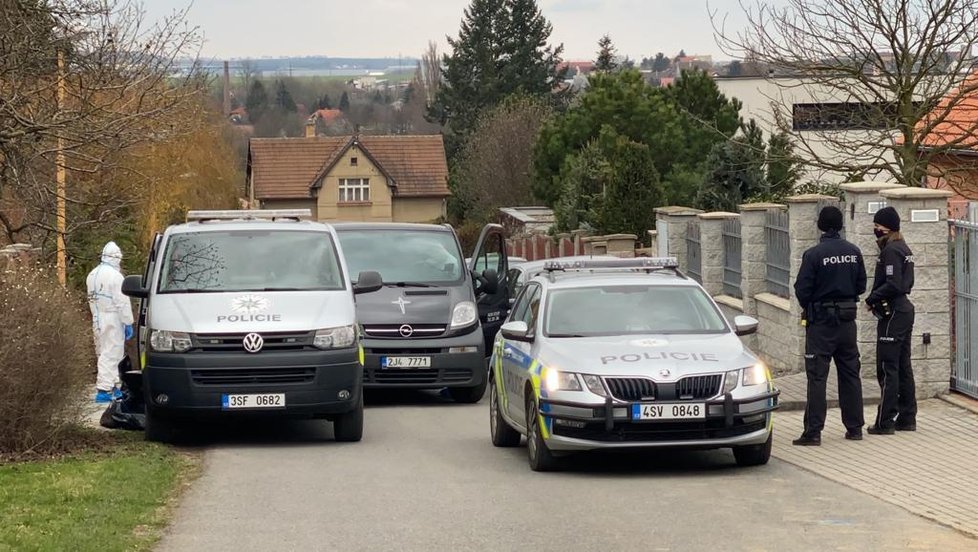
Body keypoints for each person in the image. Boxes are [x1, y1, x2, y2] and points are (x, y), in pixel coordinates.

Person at [792, 206, 867, 446]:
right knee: (850, 374)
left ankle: (813, 432)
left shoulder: (814, 254)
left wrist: (814, 304)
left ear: (820, 225)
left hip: (821, 322)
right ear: (841, 224)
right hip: (847, 321)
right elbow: (861, 285)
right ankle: (855, 428)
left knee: (817, 376)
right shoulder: (854, 252)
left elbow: (802, 289)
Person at [865, 206, 916, 435]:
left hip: (893, 311)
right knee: (903, 365)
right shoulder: (904, 248)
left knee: (887, 367)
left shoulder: (891, 251)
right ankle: (907, 418)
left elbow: (893, 283)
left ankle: (884, 421)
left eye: (877, 226)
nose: (875, 230)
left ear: (886, 227)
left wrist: (871, 298)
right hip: (904, 310)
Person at [86, 241, 134, 403]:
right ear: (117, 258)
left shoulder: (92, 274)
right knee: (112, 353)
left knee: (102, 352)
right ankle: (104, 389)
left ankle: (112, 385)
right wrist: (128, 321)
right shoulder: (115, 276)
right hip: (112, 318)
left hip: (97, 317)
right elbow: (122, 302)